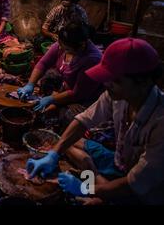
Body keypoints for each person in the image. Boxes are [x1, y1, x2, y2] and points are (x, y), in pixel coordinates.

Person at [26, 38, 164, 205]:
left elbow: (134, 184)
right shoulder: (118, 95)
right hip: (119, 161)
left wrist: (86, 189)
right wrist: (54, 153)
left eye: (116, 81)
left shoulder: (159, 123)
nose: (107, 84)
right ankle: (98, 179)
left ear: (144, 82)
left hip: (145, 191)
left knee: (118, 197)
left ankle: (100, 189)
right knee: (67, 142)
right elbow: (84, 120)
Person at [17, 22, 103, 126]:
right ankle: (51, 103)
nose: (61, 49)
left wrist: (52, 100)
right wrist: (30, 84)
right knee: (49, 75)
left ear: (81, 47)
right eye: (60, 45)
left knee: (70, 117)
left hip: (84, 97)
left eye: (66, 48)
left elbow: (77, 93)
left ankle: (56, 109)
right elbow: (43, 63)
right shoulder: (64, 44)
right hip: (66, 86)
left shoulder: (92, 59)